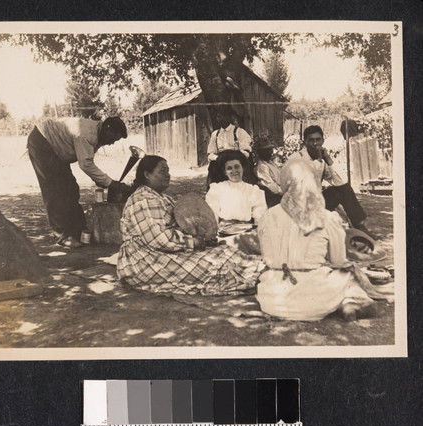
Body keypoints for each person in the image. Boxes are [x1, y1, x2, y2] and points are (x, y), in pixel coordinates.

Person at [117, 155, 266, 295]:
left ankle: (263, 269)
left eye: (168, 171)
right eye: (163, 171)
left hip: (165, 250)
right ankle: (262, 273)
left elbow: (181, 223)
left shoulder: (161, 198)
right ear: (147, 174)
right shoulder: (143, 200)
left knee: (224, 252)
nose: (168, 175)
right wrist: (193, 242)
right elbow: (158, 239)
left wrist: (203, 237)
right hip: (144, 260)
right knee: (213, 265)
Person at [256, 158, 377, 322]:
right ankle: (349, 301)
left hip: (272, 299)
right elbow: (338, 260)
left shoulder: (267, 216)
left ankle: (345, 300)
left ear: (285, 182)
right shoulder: (326, 217)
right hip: (314, 300)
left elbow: (267, 256)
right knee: (347, 274)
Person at [27, 115, 128, 248]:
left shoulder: (98, 132)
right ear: (108, 130)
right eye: (113, 139)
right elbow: (85, 164)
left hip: (57, 149)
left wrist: (101, 180)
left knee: (71, 188)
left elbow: (88, 160)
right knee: (54, 190)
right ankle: (62, 236)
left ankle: (79, 230)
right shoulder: (85, 134)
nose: (111, 143)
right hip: (42, 142)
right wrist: (111, 183)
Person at [289, 125, 377, 239]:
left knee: (344, 190)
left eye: (318, 140)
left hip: (317, 201)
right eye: (311, 140)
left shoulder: (322, 157)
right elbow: (305, 183)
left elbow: (340, 182)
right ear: (304, 142)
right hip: (301, 204)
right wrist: (318, 161)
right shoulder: (296, 159)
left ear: (323, 140)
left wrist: (329, 160)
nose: (315, 144)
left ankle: (359, 227)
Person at [205, 150, 266, 254]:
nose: (234, 171)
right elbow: (211, 215)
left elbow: (260, 217)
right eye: (229, 168)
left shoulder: (253, 190)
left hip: (247, 234)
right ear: (225, 172)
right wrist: (212, 234)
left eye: (237, 167)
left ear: (243, 168)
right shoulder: (217, 189)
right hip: (224, 236)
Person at [206, 110, 254, 187]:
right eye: (218, 117)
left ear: (229, 117)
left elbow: (246, 153)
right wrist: (217, 158)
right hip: (220, 162)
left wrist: (234, 157)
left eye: (223, 116)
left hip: (236, 160)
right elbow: (210, 153)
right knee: (213, 167)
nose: (220, 119)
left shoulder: (239, 132)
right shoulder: (215, 134)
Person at [253, 136, 283, 208]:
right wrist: (286, 191)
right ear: (259, 153)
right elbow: (271, 186)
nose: (270, 152)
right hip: (274, 199)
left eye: (270, 150)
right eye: (266, 150)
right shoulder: (262, 167)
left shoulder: (270, 162)